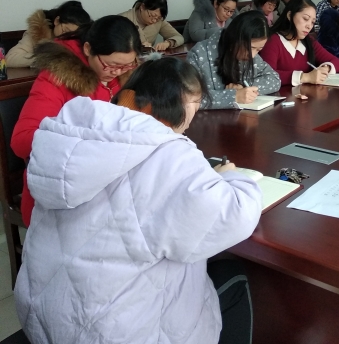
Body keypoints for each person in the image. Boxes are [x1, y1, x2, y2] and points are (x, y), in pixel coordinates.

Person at [14, 57, 262, 344]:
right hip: (113, 334)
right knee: (233, 275)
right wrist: (231, 177)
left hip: (42, 317)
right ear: (178, 104)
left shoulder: (72, 133)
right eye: (195, 103)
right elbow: (233, 216)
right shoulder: (168, 153)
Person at [11, 15, 142, 226]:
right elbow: (22, 141)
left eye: (126, 66)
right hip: (63, 191)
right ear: (88, 49)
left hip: (111, 183)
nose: (117, 72)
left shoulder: (126, 77)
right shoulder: (57, 77)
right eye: (110, 65)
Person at [187, 10, 281, 108]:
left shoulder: (250, 55)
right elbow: (189, 97)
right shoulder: (199, 54)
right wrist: (233, 96)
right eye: (250, 48)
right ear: (236, 39)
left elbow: (275, 79)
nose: (252, 56)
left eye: (258, 50)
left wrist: (243, 88)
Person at [259, 0, 339, 86]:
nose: (309, 26)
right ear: (290, 15)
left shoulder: (308, 41)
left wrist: (326, 69)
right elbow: (267, 75)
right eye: (305, 19)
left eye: (312, 22)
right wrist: (305, 77)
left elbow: (337, 62)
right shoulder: (273, 40)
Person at [5, 0, 91, 68]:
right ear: (57, 21)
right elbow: (10, 58)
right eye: (65, 30)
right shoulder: (37, 32)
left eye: (73, 35)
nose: (66, 37)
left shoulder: (82, 40)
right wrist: (46, 58)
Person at [120, 0, 184, 50]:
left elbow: (179, 37)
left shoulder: (159, 21)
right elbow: (116, 46)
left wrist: (168, 43)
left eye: (158, 18)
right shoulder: (122, 20)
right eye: (152, 15)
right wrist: (138, 46)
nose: (154, 20)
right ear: (142, 7)